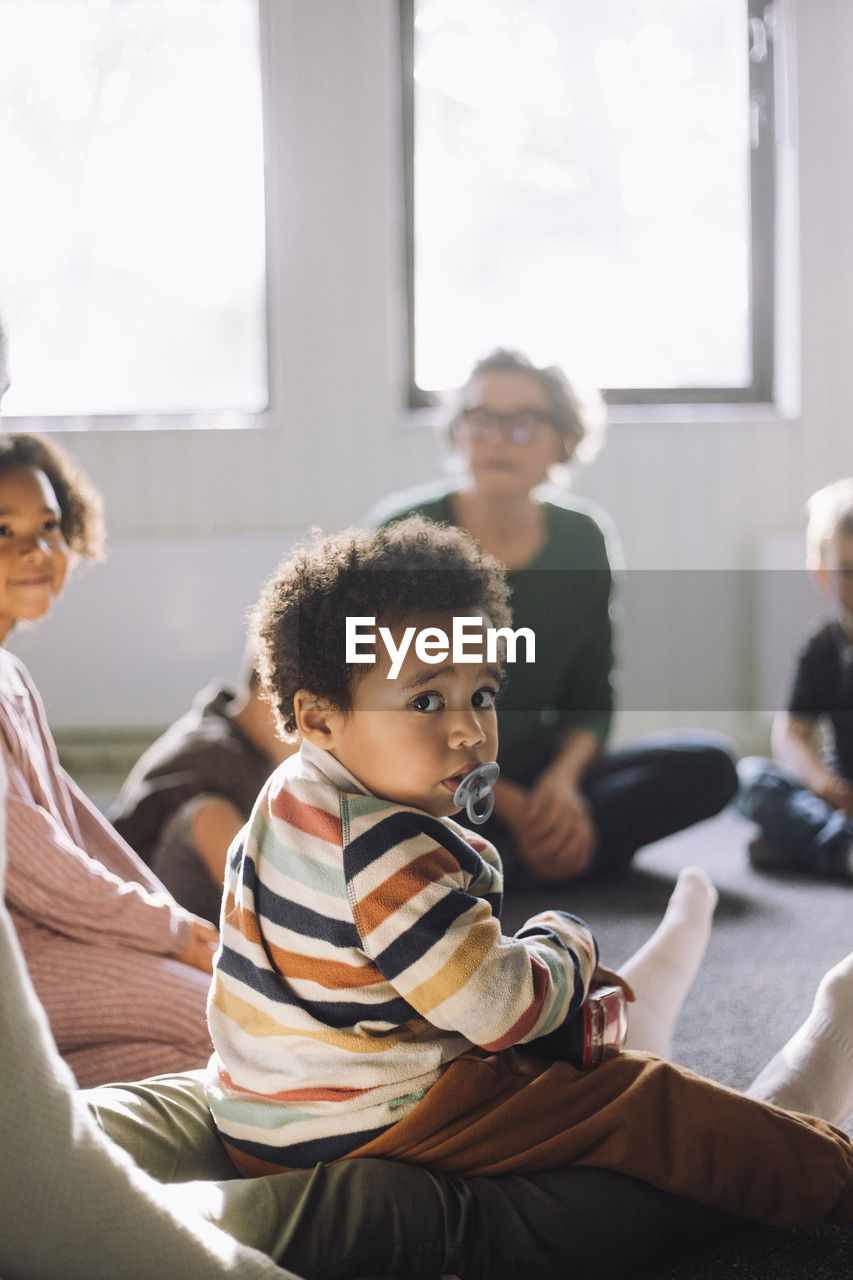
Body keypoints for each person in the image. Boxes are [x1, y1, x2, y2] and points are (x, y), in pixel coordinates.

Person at [206, 517, 853, 1232]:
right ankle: (827, 1175)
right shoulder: (386, 854)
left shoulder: (288, 793)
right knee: (638, 1098)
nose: (468, 730)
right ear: (318, 717)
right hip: (368, 1118)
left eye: (480, 694)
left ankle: (641, 1011)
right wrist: (566, 943)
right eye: (426, 701)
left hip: (266, 1113)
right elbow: (498, 1010)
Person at [365, 348, 738, 885]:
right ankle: (535, 852)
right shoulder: (401, 532)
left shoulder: (583, 539)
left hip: (532, 767)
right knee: (377, 809)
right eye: (481, 420)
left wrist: (562, 786)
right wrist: (507, 802)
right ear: (458, 431)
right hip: (423, 775)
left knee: (711, 766)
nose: (496, 438)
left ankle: (513, 857)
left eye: (522, 424)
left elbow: (590, 695)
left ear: (561, 439)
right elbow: (380, 709)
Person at [0, 396, 217, 1084]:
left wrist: (177, 926)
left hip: (51, 939)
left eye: (49, 527)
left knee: (210, 1051)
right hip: (18, 954)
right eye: (2, 531)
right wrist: (174, 936)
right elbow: (36, 867)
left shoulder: (11, 672)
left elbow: (80, 832)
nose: (38, 551)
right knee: (226, 1026)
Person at [110, 648, 296, 922]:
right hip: (138, 908)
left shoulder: (222, 724)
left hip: (165, 893)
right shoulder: (222, 759)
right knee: (210, 814)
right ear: (268, 692)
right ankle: (282, 920)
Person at [738, 477, 853, 882]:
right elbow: (791, 733)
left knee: (770, 840)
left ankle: (810, 848)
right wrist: (823, 785)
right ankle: (839, 849)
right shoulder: (822, 647)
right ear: (823, 575)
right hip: (841, 798)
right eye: (849, 572)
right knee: (752, 781)